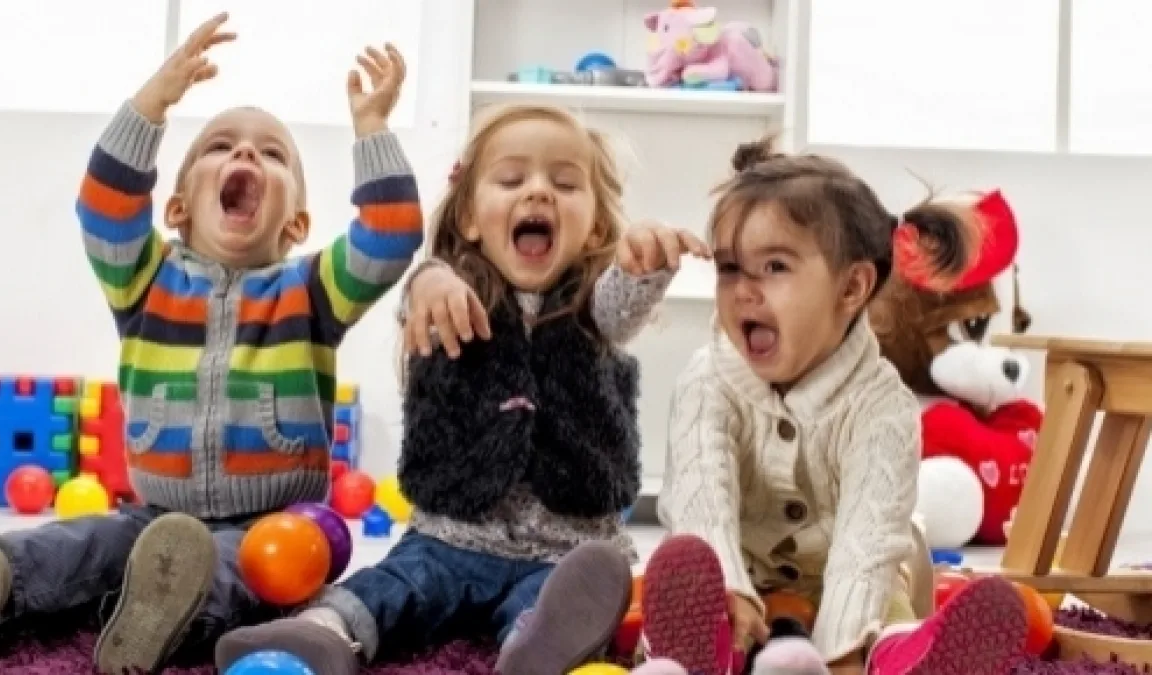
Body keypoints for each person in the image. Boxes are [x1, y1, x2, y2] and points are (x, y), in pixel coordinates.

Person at [0, 13, 424, 674]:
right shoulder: (143, 278)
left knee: (256, 567)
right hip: (154, 514)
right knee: (87, 542)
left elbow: (390, 235)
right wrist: (153, 103)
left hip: (276, 521)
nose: (245, 157)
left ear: (296, 223)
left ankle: (166, 609)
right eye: (220, 146)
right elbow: (104, 205)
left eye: (271, 154)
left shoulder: (312, 289)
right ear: (176, 209)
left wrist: (372, 127)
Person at [215, 102, 711, 675]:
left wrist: (643, 263)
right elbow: (423, 303)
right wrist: (429, 280)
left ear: (596, 226)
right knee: (389, 587)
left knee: (562, 605)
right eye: (512, 179)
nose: (538, 191)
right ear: (472, 218)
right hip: (449, 541)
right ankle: (321, 633)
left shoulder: (592, 307)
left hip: (563, 553)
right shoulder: (450, 292)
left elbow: (622, 305)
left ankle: (535, 648)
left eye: (564, 183)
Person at [642, 138, 1030, 675]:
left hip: (851, 582)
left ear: (852, 288)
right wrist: (728, 590)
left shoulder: (882, 405)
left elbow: (866, 545)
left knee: (886, 610)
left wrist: (839, 653)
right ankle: (708, 650)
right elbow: (700, 497)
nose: (743, 291)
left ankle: (900, 657)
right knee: (694, 570)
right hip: (744, 577)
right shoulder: (708, 381)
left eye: (774, 266)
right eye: (730, 268)